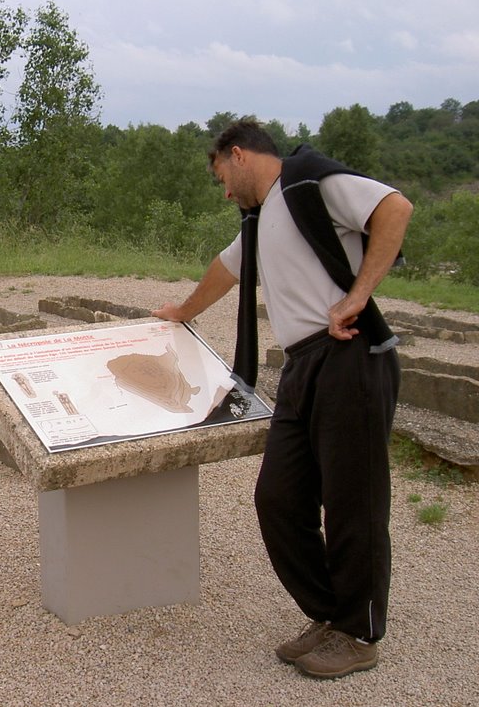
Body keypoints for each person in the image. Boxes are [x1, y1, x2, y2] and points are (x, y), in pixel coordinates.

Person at [152, 120, 413, 680]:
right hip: (301, 366)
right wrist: (181, 312)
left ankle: (359, 633)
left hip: (350, 354)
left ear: (238, 155)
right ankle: (330, 615)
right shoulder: (262, 217)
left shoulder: (306, 180)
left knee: (353, 502)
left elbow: (395, 208)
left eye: (222, 176)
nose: (224, 191)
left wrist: (358, 295)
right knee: (278, 500)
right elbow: (225, 270)